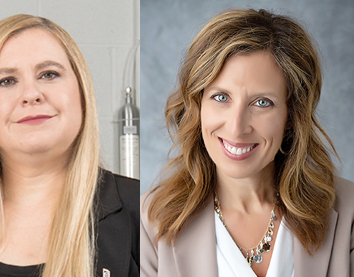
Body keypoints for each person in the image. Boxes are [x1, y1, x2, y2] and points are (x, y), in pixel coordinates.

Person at [0, 14, 139, 277]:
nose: (31, 94)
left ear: (82, 91)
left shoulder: (143, 213)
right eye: (6, 81)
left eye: (49, 74)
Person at [141, 9, 354, 277]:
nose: (236, 127)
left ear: (292, 116)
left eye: (262, 102)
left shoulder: (349, 214)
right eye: (221, 97)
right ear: (198, 104)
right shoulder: (147, 221)